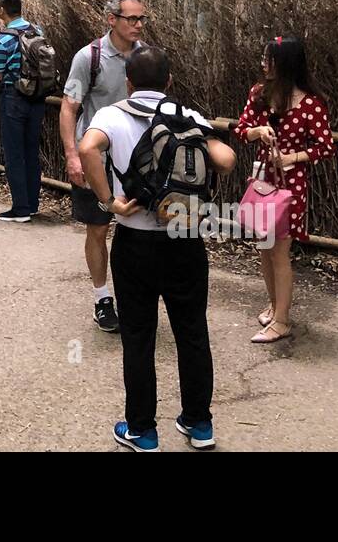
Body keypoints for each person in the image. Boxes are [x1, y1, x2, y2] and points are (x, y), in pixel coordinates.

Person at [78, 46, 236, 452]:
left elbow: (87, 149)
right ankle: (199, 425)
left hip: (135, 240)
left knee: (138, 335)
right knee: (192, 332)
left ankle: (142, 431)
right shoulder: (188, 117)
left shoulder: (111, 116)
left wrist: (108, 201)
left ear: (128, 81)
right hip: (184, 239)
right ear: (169, 82)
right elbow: (227, 160)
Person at [233, 36, 334, 344]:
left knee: (280, 251)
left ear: (286, 64)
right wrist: (255, 132)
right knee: (264, 246)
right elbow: (240, 130)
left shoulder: (311, 104)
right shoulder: (259, 93)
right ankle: (275, 306)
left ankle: (283, 321)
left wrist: (292, 157)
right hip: (263, 178)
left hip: (292, 184)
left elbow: (326, 147)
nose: (264, 64)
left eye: (270, 59)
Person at [60, 0, 147, 332]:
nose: (138, 25)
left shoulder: (147, 57)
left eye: (142, 18)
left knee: (137, 229)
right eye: (132, 18)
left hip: (135, 158)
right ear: (112, 20)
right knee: (98, 227)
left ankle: (135, 294)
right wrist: (72, 155)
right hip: (96, 157)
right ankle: (102, 297)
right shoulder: (89, 57)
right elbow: (69, 107)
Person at [0, 0, 46, 222]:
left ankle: (20, 208)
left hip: (14, 98)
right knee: (31, 151)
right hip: (37, 98)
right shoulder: (37, 31)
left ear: (1, 10)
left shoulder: (2, 39)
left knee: (14, 153)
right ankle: (32, 204)